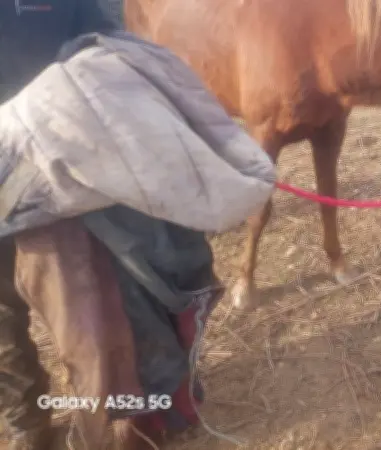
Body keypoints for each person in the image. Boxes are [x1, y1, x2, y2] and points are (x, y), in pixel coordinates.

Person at [1, 2, 275, 449]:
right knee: (3, 313)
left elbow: (103, 31)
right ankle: (25, 423)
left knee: (100, 308)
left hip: (69, 152)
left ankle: (140, 410)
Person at [1, 3, 122, 448]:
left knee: (76, 312)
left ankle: (106, 421)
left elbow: (107, 39)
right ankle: (25, 424)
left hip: (50, 168)